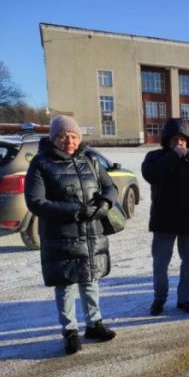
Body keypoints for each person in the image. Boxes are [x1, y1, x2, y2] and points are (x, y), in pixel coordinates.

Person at [24, 116, 117, 355]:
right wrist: (76, 211)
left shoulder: (90, 159)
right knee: (66, 285)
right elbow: (36, 202)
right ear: (54, 138)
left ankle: (94, 324)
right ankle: (70, 331)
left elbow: (110, 187)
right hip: (61, 236)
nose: (70, 141)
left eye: (74, 136)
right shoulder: (41, 163)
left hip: (91, 234)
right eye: (64, 136)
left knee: (90, 280)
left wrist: (105, 204)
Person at [141, 118, 189, 316]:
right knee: (160, 264)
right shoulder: (154, 157)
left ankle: (184, 299)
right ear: (167, 141)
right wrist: (173, 156)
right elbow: (152, 175)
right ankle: (159, 299)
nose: (179, 143)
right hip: (163, 222)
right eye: (175, 139)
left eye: (183, 139)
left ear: (188, 140)